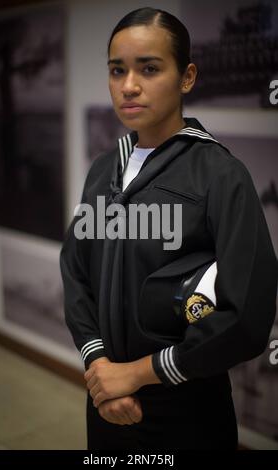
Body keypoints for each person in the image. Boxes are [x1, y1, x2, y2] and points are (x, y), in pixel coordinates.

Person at [60, 7, 277, 450]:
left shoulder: (220, 175)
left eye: (150, 68)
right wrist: (100, 364)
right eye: (117, 70)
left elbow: (247, 316)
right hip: (105, 403)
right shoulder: (104, 170)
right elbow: (75, 272)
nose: (129, 86)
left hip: (186, 410)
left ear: (187, 77)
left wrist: (135, 374)